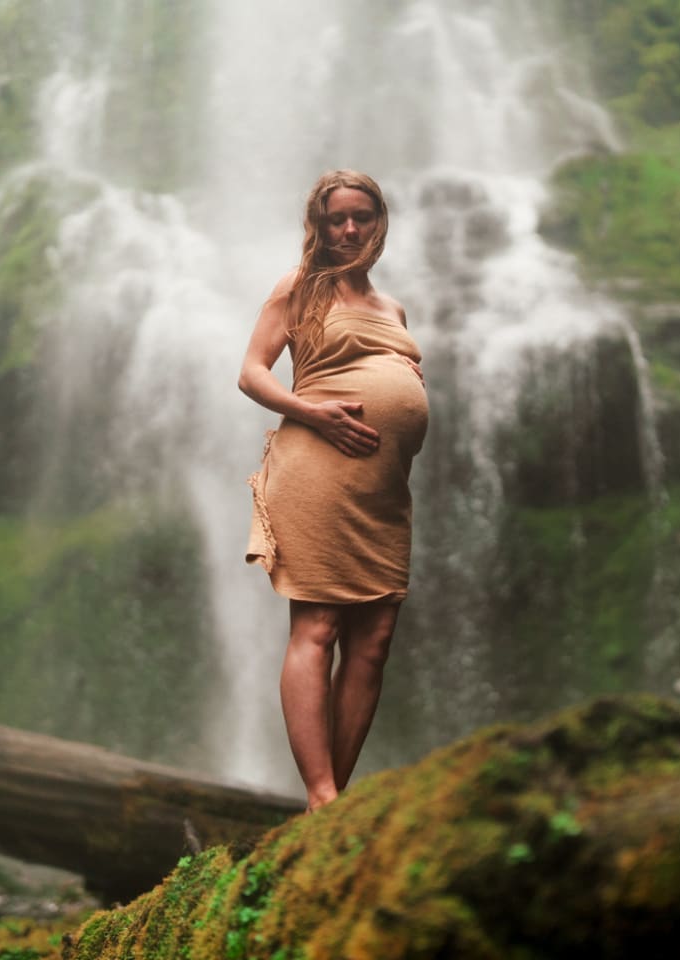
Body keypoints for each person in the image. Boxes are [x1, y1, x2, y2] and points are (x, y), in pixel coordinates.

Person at [238, 170, 429, 812]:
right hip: (318, 468)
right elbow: (251, 372)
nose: (350, 230)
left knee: (373, 640)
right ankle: (320, 791)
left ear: (382, 221)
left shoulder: (392, 308)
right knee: (318, 625)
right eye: (335, 219)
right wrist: (311, 411)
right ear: (316, 227)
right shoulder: (302, 287)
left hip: (382, 492)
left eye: (363, 216)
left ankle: (331, 801)